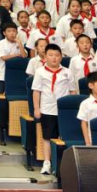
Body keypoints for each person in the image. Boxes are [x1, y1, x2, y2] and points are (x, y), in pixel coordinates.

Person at [30, 43, 71, 175]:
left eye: (57, 55)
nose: (54, 58)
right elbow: (36, 91)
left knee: (63, 137)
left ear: (61, 57)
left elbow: (72, 91)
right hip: (47, 109)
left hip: (64, 112)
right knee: (47, 137)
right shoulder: (40, 72)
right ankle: (47, 162)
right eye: (51, 55)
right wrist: (36, 109)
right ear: (45, 56)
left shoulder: (67, 72)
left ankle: (63, 164)